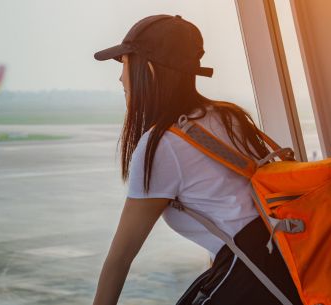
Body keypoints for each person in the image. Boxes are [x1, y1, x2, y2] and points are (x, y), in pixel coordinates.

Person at [91, 15, 302, 305]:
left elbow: (120, 258)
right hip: (284, 259)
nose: (120, 77)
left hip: (253, 274)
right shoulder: (228, 117)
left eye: (125, 64)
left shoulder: (162, 145)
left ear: (149, 70)